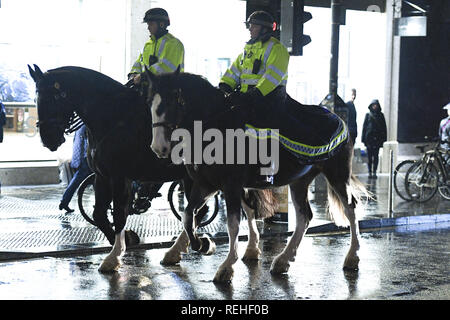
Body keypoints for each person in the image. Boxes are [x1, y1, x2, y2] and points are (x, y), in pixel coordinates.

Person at [128, 7, 184, 85]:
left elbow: (165, 68)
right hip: (148, 89)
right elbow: (139, 63)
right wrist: (133, 74)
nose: (148, 28)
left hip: (166, 91)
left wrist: (143, 76)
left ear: (161, 24)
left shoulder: (174, 44)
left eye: (151, 24)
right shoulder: (148, 45)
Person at [59, 125, 92, 213]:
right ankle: (64, 202)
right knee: (77, 181)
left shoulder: (80, 126)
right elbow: (86, 144)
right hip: (85, 159)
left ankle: (64, 202)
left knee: (77, 181)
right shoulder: (85, 126)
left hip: (81, 158)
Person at [362, 99, 387, 179]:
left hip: (377, 139)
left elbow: (384, 128)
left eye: (376, 105)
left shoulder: (381, 115)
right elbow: (364, 128)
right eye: (373, 105)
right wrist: (363, 139)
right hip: (369, 139)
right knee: (369, 157)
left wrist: (383, 139)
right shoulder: (368, 115)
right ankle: (370, 172)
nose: (375, 106)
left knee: (375, 156)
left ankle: (374, 172)